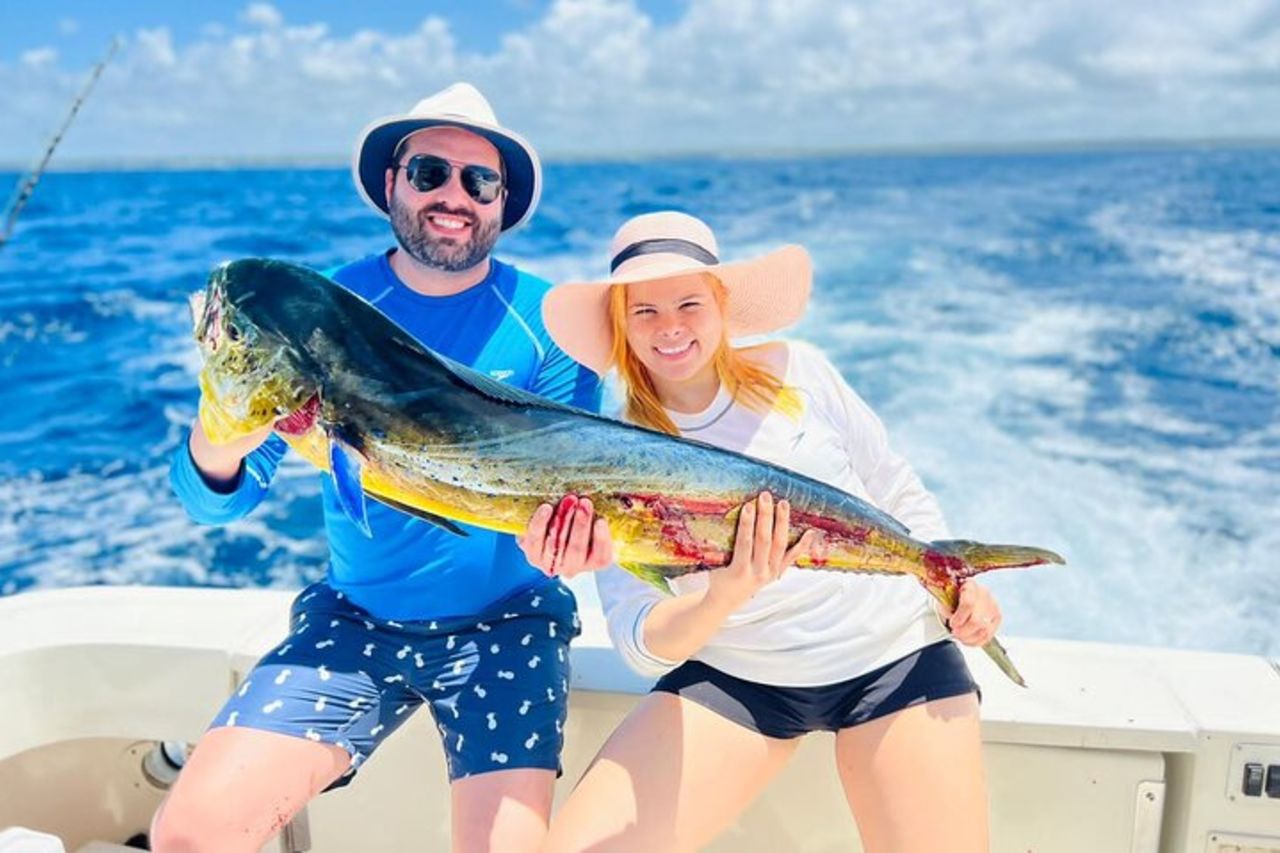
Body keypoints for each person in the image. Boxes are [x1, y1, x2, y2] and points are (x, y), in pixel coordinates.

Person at [152, 83, 612, 853]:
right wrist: (223, 421)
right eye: (431, 172)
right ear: (394, 182)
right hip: (358, 617)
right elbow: (215, 505)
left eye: (479, 180)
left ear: (503, 200)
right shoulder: (326, 305)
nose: (454, 196)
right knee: (191, 833)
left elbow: (578, 486)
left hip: (509, 623)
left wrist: (576, 543)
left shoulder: (553, 323)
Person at [527, 211, 1002, 852]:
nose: (670, 327)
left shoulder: (799, 372)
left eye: (689, 302)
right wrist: (725, 594)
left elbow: (895, 487)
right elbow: (642, 643)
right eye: (644, 312)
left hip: (892, 657)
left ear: (721, 305)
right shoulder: (609, 448)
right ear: (620, 324)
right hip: (739, 681)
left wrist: (961, 587)